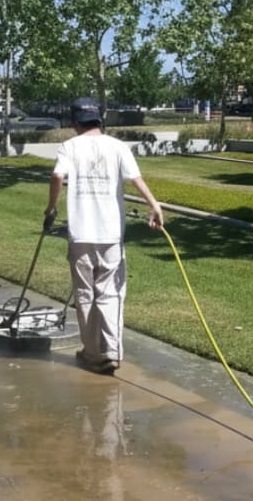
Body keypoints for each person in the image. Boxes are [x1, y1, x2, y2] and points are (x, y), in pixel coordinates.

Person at [46, 98, 163, 374]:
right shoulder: (118, 146)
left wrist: (50, 209)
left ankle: (92, 353)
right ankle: (111, 352)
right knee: (110, 294)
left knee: (85, 294)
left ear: (75, 122)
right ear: (99, 120)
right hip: (110, 234)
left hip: (81, 234)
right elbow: (136, 180)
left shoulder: (69, 147)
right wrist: (154, 204)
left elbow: (56, 176)